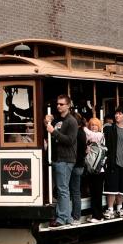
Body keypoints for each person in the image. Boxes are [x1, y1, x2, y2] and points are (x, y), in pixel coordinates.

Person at [44, 95, 77, 227]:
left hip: (66, 159)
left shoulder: (72, 121)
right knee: (62, 189)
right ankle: (67, 217)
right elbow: (49, 128)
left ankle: (62, 218)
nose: (58, 106)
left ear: (68, 106)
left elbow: (70, 141)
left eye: (61, 104)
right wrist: (46, 121)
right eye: (57, 104)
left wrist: (53, 132)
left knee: (62, 189)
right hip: (58, 158)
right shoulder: (59, 120)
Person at [103, 106, 123, 219]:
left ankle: (120, 208)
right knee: (112, 188)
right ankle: (110, 209)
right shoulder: (110, 129)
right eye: (116, 113)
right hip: (112, 164)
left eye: (120, 114)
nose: (117, 115)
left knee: (121, 188)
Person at [84, 117, 106, 223]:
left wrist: (83, 126)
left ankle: (98, 216)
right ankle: (95, 214)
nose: (93, 127)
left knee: (97, 193)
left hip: (99, 170)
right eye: (91, 125)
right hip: (91, 169)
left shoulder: (99, 135)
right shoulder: (90, 139)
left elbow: (90, 135)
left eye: (95, 125)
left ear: (99, 127)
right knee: (93, 193)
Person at [69, 113, 88, 225]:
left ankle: (75, 216)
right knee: (75, 191)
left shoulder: (76, 133)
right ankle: (76, 216)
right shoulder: (82, 133)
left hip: (74, 165)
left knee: (73, 191)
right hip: (80, 165)